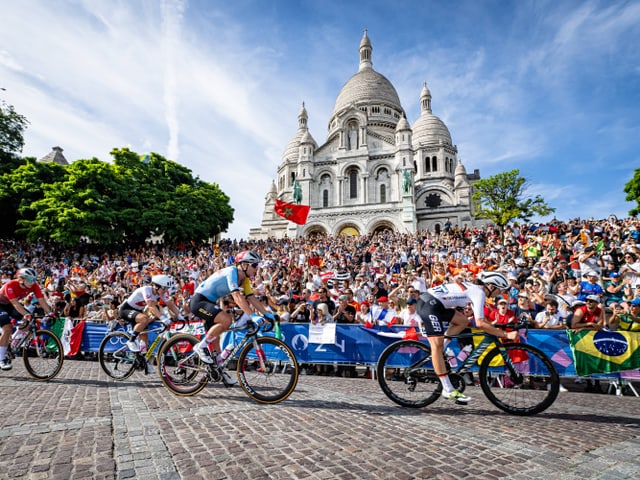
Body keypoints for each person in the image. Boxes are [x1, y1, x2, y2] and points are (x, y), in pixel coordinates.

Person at [415, 271, 518, 404]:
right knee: (437, 345)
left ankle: (441, 351)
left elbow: (480, 320)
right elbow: (480, 323)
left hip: (436, 304)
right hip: (428, 305)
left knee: (463, 321)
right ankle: (447, 389)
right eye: (499, 290)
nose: (499, 294)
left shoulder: (476, 291)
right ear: (491, 286)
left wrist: (498, 327)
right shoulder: (479, 293)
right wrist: (505, 334)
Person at [191, 251, 277, 383]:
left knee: (216, 340)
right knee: (226, 320)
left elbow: (251, 298)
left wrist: (266, 313)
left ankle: (219, 370)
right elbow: (237, 296)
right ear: (243, 265)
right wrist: (252, 315)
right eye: (254, 265)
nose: (256, 269)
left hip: (210, 302)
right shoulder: (231, 272)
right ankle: (200, 347)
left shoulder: (245, 279)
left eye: (257, 265)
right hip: (199, 301)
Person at [0, 268, 52, 370]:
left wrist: (50, 313)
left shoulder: (34, 285)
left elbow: (41, 300)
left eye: (34, 279)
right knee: (8, 328)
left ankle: (12, 341)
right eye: (29, 280)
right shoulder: (10, 285)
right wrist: (26, 315)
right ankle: (1, 359)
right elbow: (15, 303)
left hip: (11, 304)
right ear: (21, 279)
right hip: (2, 304)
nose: (32, 282)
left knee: (29, 324)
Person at [119, 274, 183, 353]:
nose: (165, 290)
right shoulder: (146, 289)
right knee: (144, 319)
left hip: (138, 312)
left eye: (167, 288)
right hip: (126, 309)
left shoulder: (161, 292)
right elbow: (151, 306)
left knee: (144, 340)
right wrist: (162, 318)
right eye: (164, 288)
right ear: (156, 286)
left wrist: (180, 315)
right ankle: (131, 341)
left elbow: (170, 304)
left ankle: (142, 361)